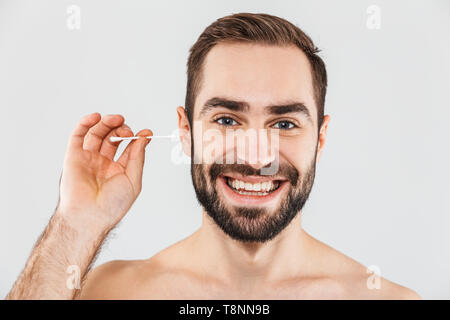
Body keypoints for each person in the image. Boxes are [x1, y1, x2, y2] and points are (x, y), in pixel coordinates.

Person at [7, 12, 420, 299]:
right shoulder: (104, 293)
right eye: (226, 120)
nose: (257, 158)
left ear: (321, 137)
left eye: (284, 124)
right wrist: (76, 224)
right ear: (185, 132)